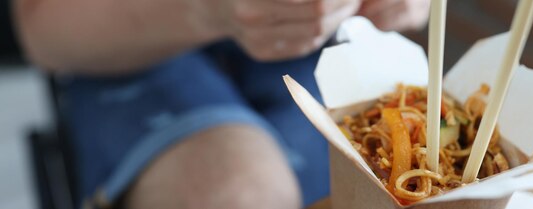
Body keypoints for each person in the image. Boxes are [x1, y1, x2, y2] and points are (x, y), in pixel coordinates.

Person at [7, 0, 430, 208]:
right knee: (237, 192)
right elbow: (39, 30)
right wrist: (206, 11)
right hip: (122, 41)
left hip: (326, 45)